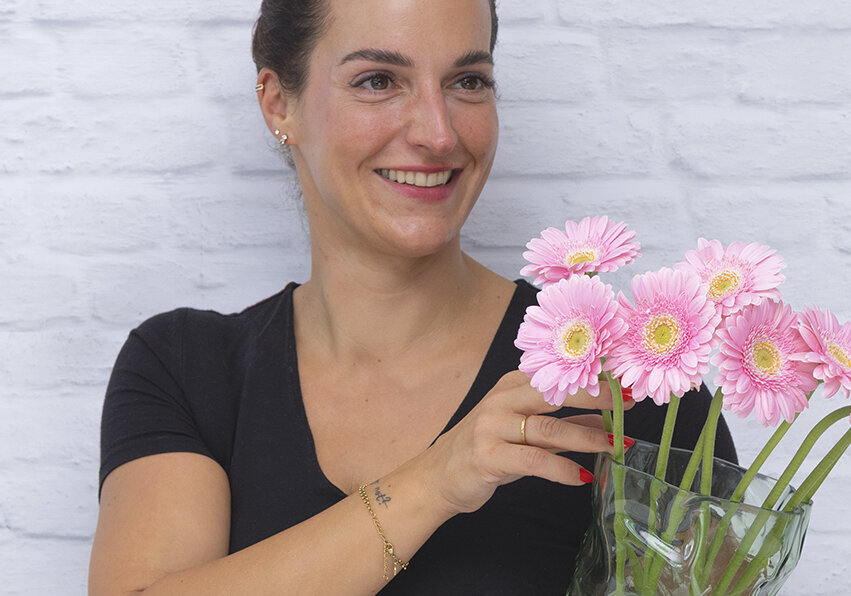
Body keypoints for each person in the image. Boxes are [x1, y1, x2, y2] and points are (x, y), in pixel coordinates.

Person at [88, 1, 737, 594]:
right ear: (278, 102)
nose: (438, 132)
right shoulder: (186, 367)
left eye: (467, 81)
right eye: (378, 80)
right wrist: (437, 479)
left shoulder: (630, 386)